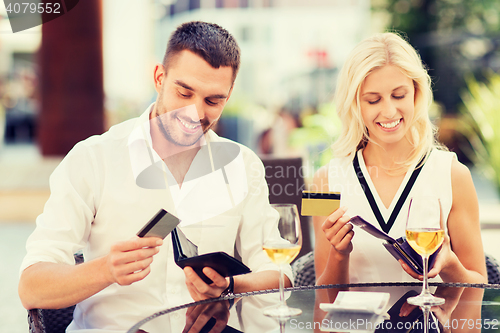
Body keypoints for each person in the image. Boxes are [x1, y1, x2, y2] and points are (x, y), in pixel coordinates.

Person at [18, 21, 291, 333]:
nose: (195, 112)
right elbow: (32, 286)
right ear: (159, 77)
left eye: (213, 101)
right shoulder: (94, 158)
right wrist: (106, 269)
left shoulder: (243, 166)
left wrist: (228, 288)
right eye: (184, 92)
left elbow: (278, 269)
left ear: (228, 96)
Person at [312, 32, 487, 323]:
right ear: (355, 103)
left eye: (399, 95)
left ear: (417, 93)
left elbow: (477, 288)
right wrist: (339, 254)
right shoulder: (321, 183)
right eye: (373, 100)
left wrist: (450, 264)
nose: (389, 111)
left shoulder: (455, 174)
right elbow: (321, 298)